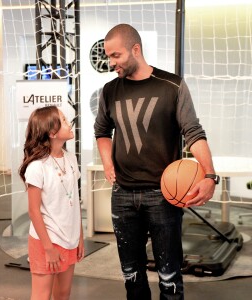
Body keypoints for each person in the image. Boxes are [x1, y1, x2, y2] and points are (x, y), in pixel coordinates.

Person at [94, 24, 219, 300]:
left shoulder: (172, 86)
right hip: (123, 196)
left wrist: (209, 175)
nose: (110, 62)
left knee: (170, 278)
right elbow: (102, 131)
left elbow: (194, 133)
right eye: (109, 56)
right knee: (132, 278)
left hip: (163, 197)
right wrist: (107, 162)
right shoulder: (109, 91)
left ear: (135, 49)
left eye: (116, 55)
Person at [19, 105, 84, 300]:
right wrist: (48, 249)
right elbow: (34, 211)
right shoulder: (37, 167)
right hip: (46, 242)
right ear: (53, 132)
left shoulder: (71, 158)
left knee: (63, 295)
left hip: (69, 238)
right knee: (41, 296)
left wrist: (79, 237)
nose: (70, 123)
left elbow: (74, 201)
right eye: (64, 120)